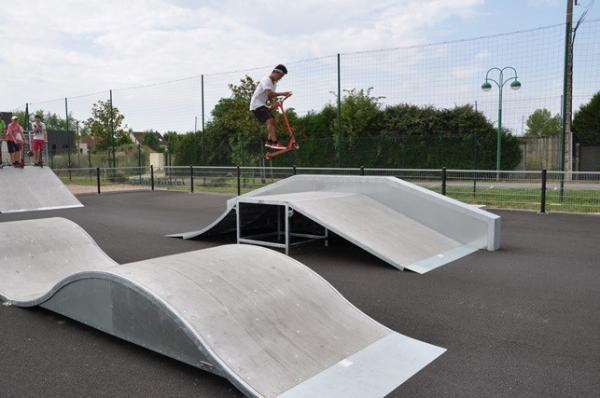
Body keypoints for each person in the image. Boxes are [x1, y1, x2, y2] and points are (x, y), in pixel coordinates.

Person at [249, 64, 292, 149]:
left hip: (262, 104)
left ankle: (269, 142)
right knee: (270, 120)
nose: (280, 78)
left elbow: (270, 96)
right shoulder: (266, 79)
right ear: (275, 72)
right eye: (280, 76)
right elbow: (269, 93)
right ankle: (275, 142)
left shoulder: (274, 84)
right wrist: (283, 93)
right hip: (256, 105)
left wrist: (274, 104)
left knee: (274, 124)